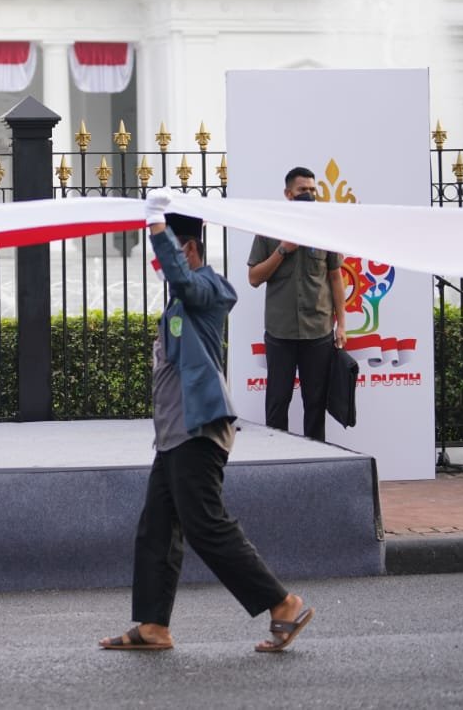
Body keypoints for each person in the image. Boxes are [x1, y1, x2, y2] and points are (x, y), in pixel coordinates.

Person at [99, 191, 314, 654]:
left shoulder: (210, 289)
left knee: (205, 525)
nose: (162, 264)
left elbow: (182, 277)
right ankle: (154, 625)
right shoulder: (179, 307)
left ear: (189, 249)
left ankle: (283, 603)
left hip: (199, 432)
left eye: (170, 251)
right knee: (157, 527)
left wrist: (157, 228)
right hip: (174, 436)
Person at [246, 166, 346, 441]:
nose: (309, 195)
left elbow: (336, 278)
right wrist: (283, 249)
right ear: (288, 194)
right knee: (278, 403)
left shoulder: (325, 229)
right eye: (303, 190)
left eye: (313, 190)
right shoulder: (269, 229)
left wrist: (342, 325)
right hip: (281, 332)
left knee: (315, 403)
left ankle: (313, 460)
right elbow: (254, 277)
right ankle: (279, 461)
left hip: (318, 331)